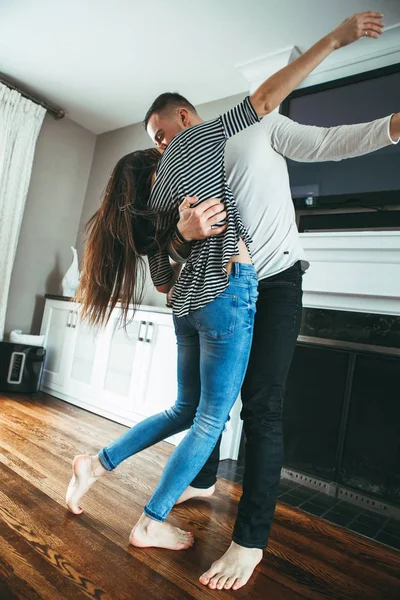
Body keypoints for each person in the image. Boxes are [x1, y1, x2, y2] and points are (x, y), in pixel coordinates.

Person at [66, 10, 386, 586]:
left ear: (184, 116)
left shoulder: (248, 128)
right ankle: (196, 481)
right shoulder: (173, 175)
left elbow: (329, 141)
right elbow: (165, 267)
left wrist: (389, 127)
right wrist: (184, 235)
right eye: (155, 144)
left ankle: (249, 540)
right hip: (219, 294)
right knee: (205, 407)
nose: (161, 146)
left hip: (274, 281)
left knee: (258, 407)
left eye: (162, 132)